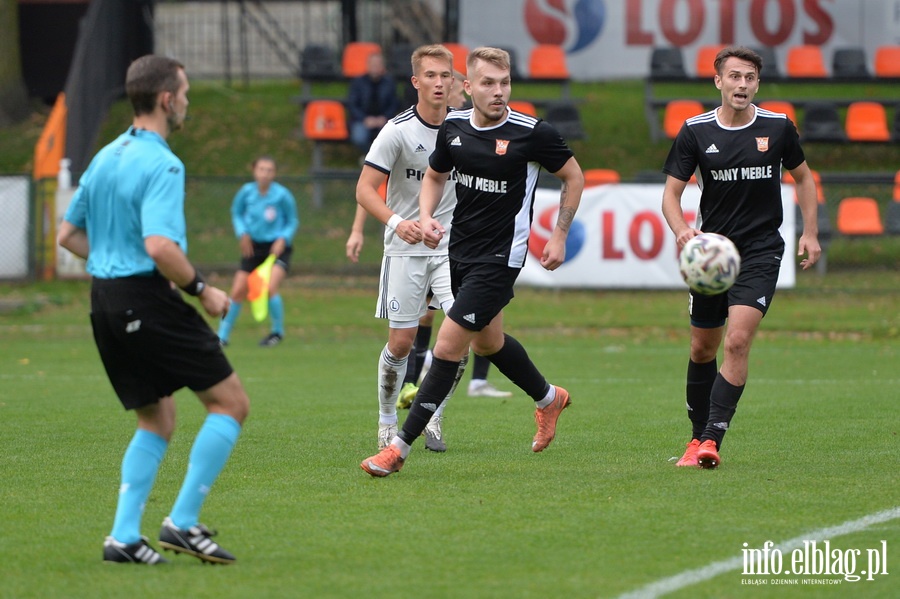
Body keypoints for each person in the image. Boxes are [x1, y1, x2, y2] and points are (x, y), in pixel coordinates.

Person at [57, 55, 249, 564]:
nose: (186, 101)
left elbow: (68, 235)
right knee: (230, 404)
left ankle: (123, 538)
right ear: (167, 99)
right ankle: (182, 523)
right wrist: (204, 290)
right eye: (184, 92)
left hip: (104, 301)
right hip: (145, 297)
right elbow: (162, 245)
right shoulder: (164, 162)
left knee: (157, 418)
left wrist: (112, 260)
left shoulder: (105, 156)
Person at [361, 46, 585, 477]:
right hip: (457, 251)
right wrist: (425, 218)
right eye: (487, 83)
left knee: (447, 346)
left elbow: (573, 176)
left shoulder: (533, 133)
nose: (498, 91)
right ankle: (548, 398)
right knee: (488, 343)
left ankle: (398, 449)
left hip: (501, 259)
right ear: (469, 87)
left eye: (504, 83)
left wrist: (559, 234)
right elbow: (434, 175)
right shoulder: (455, 127)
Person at [661, 46, 821, 469]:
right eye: (735, 77)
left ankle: (711, 438)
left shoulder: (778, 127)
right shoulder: (695, 131)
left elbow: (804, 179)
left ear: (757, 84)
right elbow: (671, 195)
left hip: (760, 252)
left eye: (750, 78)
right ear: (719, 82)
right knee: (702, 348)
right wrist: (681, 229)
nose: (742, 85)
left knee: (737, 340)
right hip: (712, 256)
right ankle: (695, 439)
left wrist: (810, 231)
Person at [346, 44, 469, 453]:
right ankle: (385, 422)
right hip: (405, 250)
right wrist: (400, 223)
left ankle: (432, 414)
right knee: (400, 345)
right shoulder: (397, 130)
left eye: (445, 75)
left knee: (461, 335)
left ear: (453, 81)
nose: (438, 82)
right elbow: (364, 189)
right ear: (416, 81)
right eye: (430, 75)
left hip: (453, 250)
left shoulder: (466, 128)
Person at [217, 155, 299, 347]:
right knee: (237, 290)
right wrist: (242, 233)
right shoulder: (246, 192)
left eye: (269, 170)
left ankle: (277, 333)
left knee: (269, 288)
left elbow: (292, 220)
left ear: (275, 173)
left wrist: (283, 238)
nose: (265, 174)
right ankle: (222, 336)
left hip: (277, 249)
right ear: (254, 171)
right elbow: (236, 213)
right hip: (253, 248)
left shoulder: (282, 195)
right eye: (262, 169)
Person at [347, 51, 400, 155]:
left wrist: (385, 118)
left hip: (384, 120)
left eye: (378, 65)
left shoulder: (390, 83)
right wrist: (364, 119)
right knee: (359, 137)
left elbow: (394, 104)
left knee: (389, 138)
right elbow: (353, 105)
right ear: (368, 65)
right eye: (373, 65)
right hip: (362, 120)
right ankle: (371, 157)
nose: (375, 67)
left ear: (382, 67)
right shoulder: (358, 82)